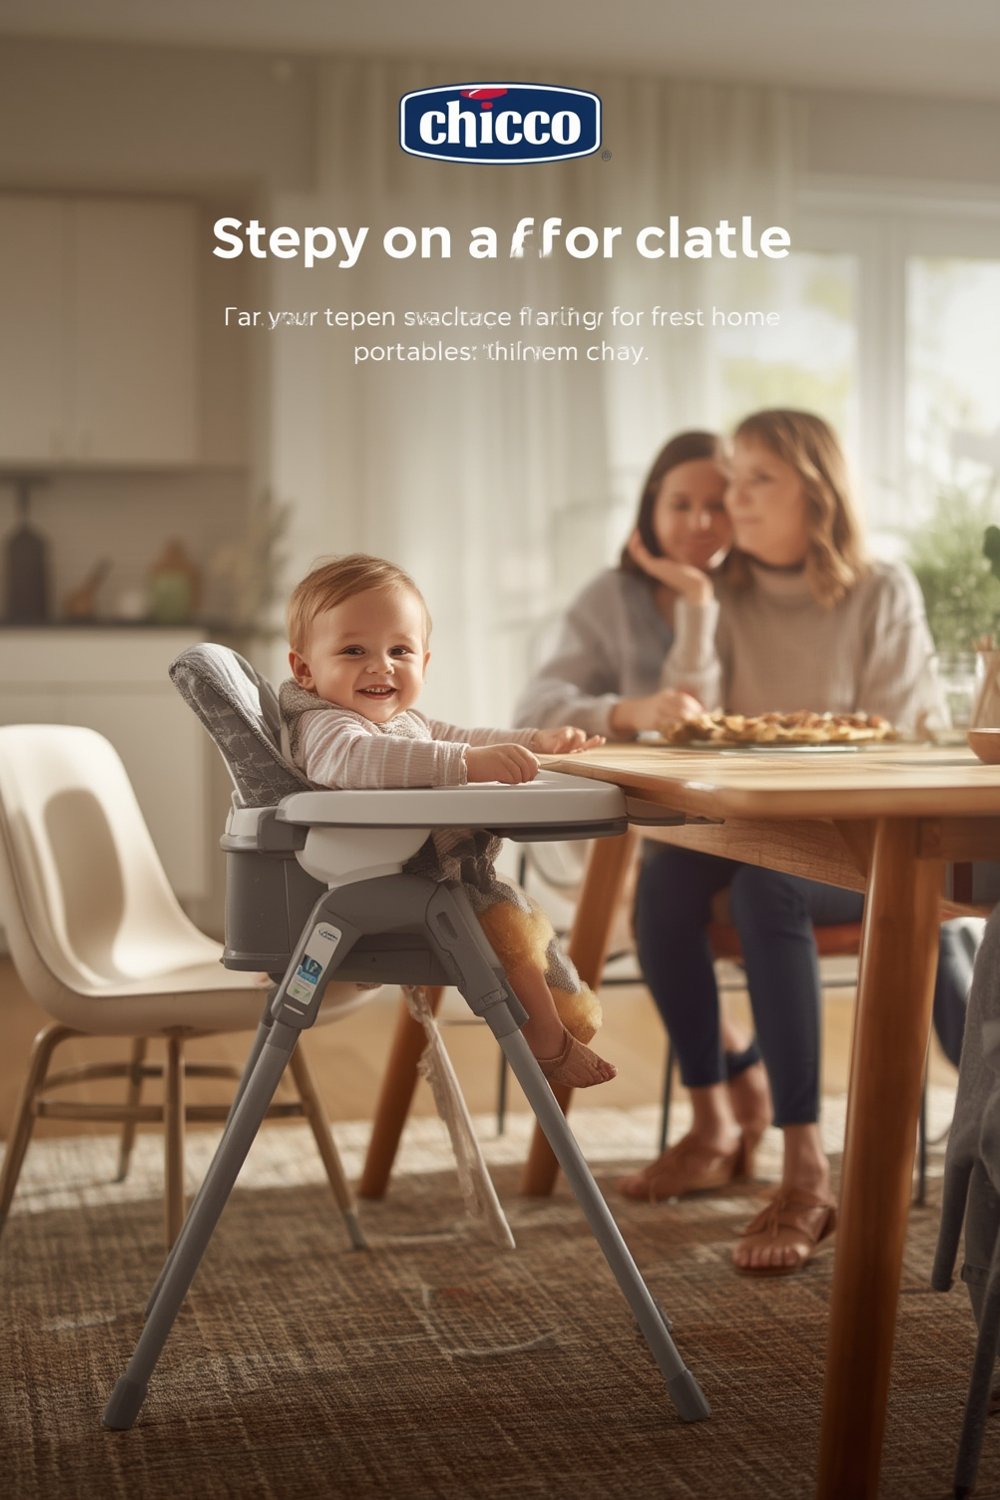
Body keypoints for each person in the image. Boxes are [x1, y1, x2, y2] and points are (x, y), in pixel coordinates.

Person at [624, 407, 967, 1276]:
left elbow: (902, 734)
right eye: (730, 477)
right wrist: (698, 611)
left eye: (756, 479)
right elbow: (690, 722)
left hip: (859, 845)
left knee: (763, 890)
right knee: (662, 884)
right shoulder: (725, 592)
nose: (731, 497)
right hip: (753, 830)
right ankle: (714, 1122)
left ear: (814, 490)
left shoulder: (880, 589)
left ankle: (807, 1168)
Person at [514, 428, 773, 1142]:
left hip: (740, 824)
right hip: (631, 830)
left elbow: (703, 718)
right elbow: (532, 713)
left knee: (666, 889)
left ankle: (726, 1098)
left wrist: (696, 602)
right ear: (650, 508)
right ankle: (735, 1074)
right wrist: (626, 712)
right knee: (649, 884)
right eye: (680, 503)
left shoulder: (758, 596)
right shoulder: (611, 598)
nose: (699, 523)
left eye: (718, 505)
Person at [278, 552, 614, 1090]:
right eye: (353, 650)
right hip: (382, 884)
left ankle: (562, 1014)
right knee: (507, 933)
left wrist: (534, 743)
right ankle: (547, 1041)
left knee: (522, 922)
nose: (381, 665)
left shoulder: (401, 721)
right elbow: (355, 763)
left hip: (422, 874)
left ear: (425, 664)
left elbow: (461, 738)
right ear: (305, 670)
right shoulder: (326, 726)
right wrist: (464, 767)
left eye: (399, 650)